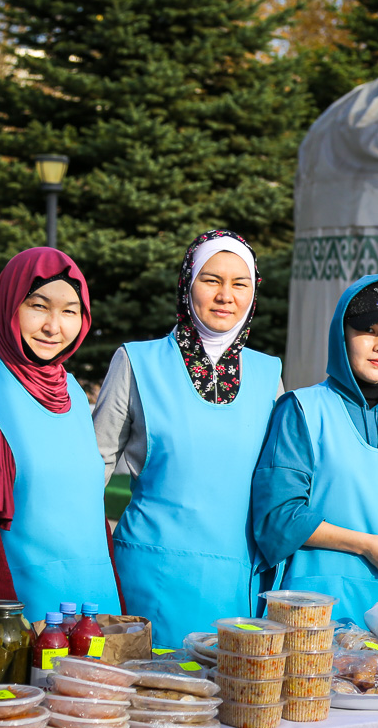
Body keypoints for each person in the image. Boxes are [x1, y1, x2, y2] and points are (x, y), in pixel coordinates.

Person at [0, 248, 121, 690]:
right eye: (38, 307)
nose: (55, 326)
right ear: (10, 305)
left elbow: (90, 507)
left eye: (70, 311)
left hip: (92, 616)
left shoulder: (67, 387)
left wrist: (119, 612)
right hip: (14, 616)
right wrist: (8, 626)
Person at [93, 231, 281, 647]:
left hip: (234, 581)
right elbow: (93, 468)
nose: (225, 295)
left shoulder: (269, 376)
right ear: (187, 283)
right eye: (210, 279)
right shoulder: (136, 361)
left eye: (240, 283)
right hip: (149, 575)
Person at [252, 276, 378, 624]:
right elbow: (278, 517)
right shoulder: (301, 409)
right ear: (341, 335)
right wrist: (366, 544)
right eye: (368, 330)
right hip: (310, 609)